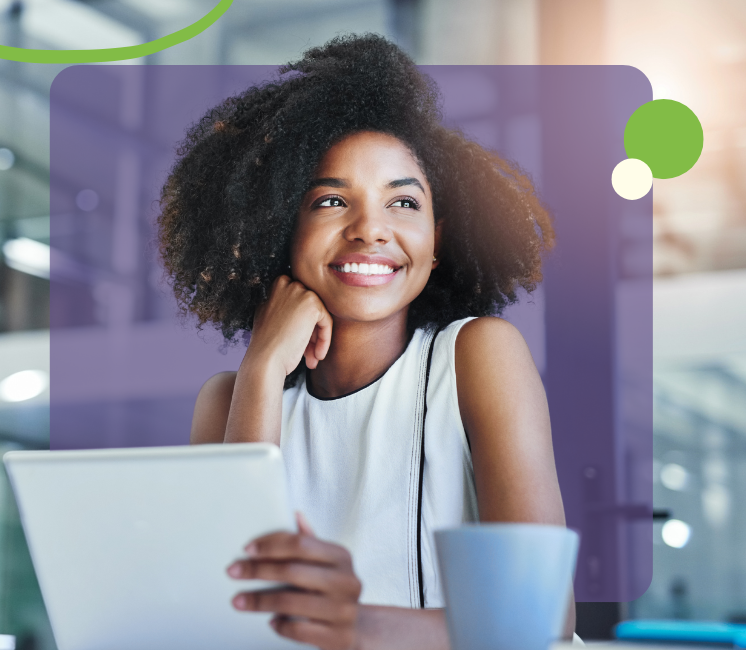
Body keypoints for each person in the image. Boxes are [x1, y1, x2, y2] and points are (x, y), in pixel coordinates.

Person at [157, 34, 570, 650]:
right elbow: (228, 615)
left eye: (404, 201)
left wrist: (356, 626)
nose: (371, 230)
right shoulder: (231, 398)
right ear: (280, 229)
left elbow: (540, 619)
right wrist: (265, 367)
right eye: (331, 200)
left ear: (436, 240)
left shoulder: (476, 356)